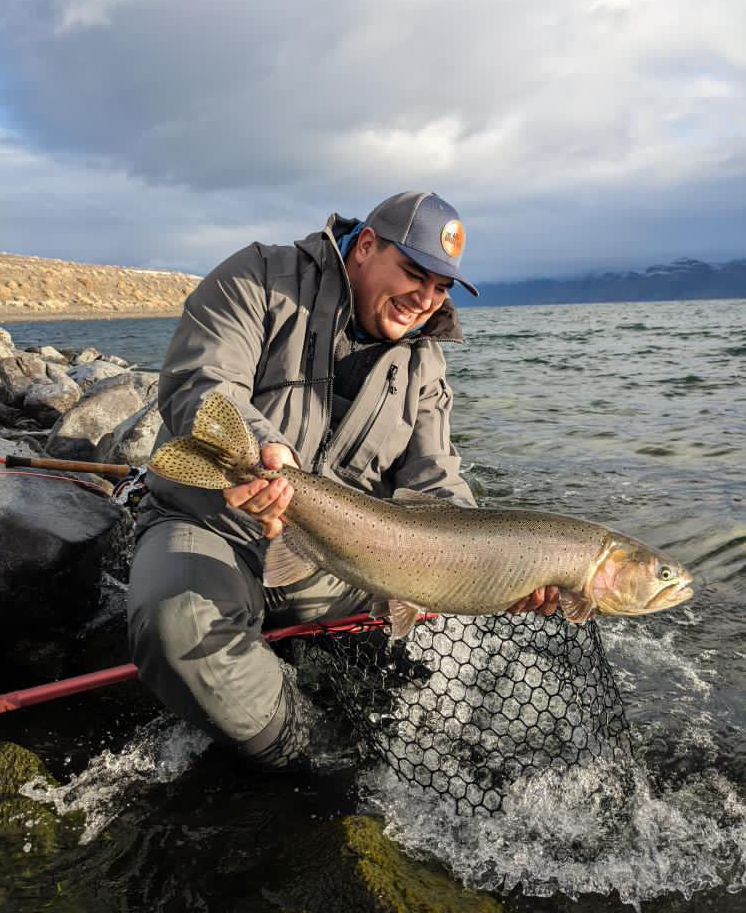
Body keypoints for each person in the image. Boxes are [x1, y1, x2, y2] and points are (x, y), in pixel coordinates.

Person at [127, 190, 558, 768]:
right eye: (414, 273)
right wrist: (262, 447)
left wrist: (499, 572)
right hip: (213, 522)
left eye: (441, 287)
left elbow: (438, 485)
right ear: (367, 247)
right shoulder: (257, 277)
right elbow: (200, 384)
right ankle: (311, 749)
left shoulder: (424, 363)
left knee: (418, 672)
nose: (425, 299)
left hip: (335, 555)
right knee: (173, 627)